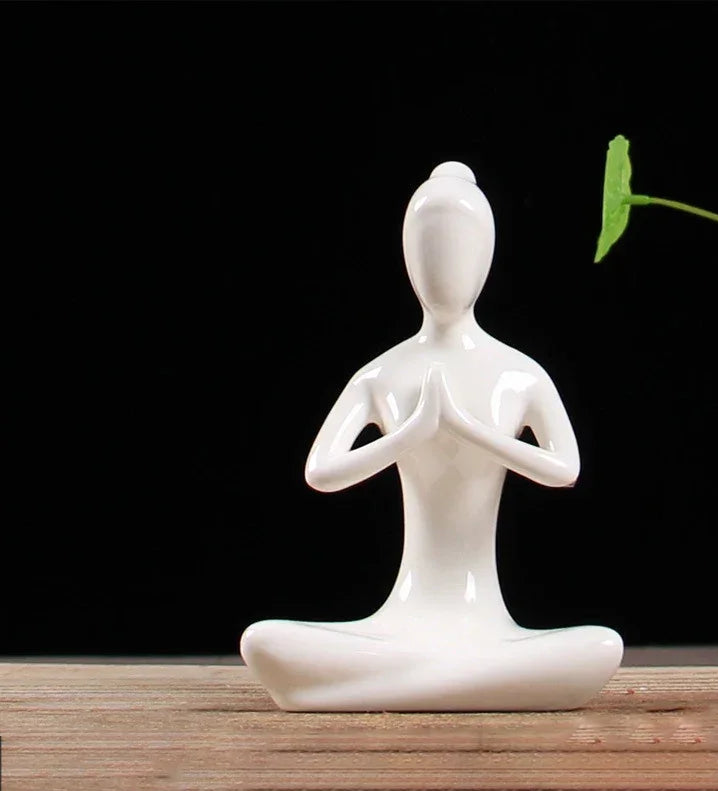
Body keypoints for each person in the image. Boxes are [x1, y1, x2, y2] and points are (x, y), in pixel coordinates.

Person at [241, 162, 622, 711]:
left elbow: (565, 469)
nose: (444, 266)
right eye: (430, 247)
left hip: (490, 624)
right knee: (263, 639)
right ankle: (461, 682)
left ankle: (379, 688)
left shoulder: (519, 373)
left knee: (601, 647)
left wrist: (470, 430)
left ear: (487, 256)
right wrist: (411, 433)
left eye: (459, 247)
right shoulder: (382, 374)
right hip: (399, 623)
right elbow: (320, 472)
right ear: (407, 257)